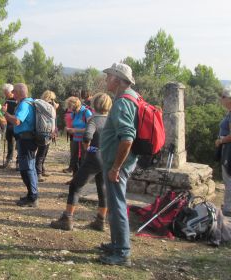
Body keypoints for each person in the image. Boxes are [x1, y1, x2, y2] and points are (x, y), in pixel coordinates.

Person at [50, 93, 112, 231]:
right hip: (107, 158)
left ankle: (67, 219)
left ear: (95, 104)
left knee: (75, 186)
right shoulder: (112, 120)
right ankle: (100, 221)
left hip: (94, 157)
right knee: (102, 188)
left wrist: (88, 148)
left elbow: (87, 136)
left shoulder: (94, 119)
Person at [98, 63, 138, 267]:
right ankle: (117, 244)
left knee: (117, 204)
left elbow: (128, 138)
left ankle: (122, 252)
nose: (106, 79)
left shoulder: (123, 102)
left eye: (108, 76)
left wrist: (115, 167)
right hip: (120, 162)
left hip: (118, 164)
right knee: (114, 204)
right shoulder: (132, 97)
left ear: (117, 78)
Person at [2, 83, 38, 207]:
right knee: (30, 168)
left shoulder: (24, 105)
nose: (13, 94)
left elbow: (17, 121)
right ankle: (32, 195)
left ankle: (32, 197)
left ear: (20, 92)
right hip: (29, 139)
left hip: (26, 140)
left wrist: (5, 114)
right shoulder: (31, 102)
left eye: (14, 92)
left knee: (26, 169)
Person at [64, 96, 92, 183]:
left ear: (75, 105)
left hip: (85, 140)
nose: (68, 108)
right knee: (74, 159)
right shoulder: (74, 113)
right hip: (75, 139)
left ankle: (82, 180)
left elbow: (90, 128)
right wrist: (69, 129)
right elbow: (74, 125)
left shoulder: (86, 112)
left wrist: (75, 130)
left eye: (69, 106)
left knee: (83, 160)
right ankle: (75, 179)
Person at [35, 90, 58, 182]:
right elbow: (53, 119)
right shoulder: (48, 106)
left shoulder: (39, 105)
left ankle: (41, 170)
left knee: (42, 153)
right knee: (41, 153)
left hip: (42, 131)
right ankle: (38, 173)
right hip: (46, 132)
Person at [215, 87, 231, 217]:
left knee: (228, 178)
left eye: (223, 97)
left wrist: (221, 141)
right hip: (227, 148)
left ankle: (228, 209)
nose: (221, 99)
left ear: (229, 99)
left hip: (229, 150)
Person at [0, 83, 17, 169]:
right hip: (8, 124)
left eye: (5, 91)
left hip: (16, 124)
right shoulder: (7, 100)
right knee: (9, 142)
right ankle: (9, 160)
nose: (4, 93)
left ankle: (18, 162)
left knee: (18, 144)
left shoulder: (17, 99)